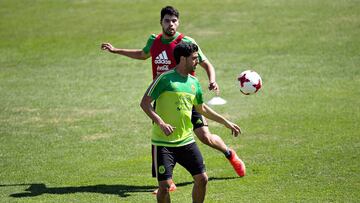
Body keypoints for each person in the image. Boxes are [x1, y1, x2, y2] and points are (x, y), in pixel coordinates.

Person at [101, 6, 246, 193]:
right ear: (161, 22)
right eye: (167, 20)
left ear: (178, 22)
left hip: (188, 98)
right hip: (164, 101)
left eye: (174, 21)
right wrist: (116, 50)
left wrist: (212, 81)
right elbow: (142, 54)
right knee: (167, 136)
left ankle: (230, 154)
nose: (171, 24)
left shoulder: (186, 42)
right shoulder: (155, 41)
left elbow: (205, 63)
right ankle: (168, 182)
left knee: (205, 137)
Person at [140, 42, 241, 203]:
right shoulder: (164, 79)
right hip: (163, 143)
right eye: (194, 58)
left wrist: (225, 122)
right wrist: (160, 123)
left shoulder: (194, 82)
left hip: (186, 141)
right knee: (165, 187)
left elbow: (202, 109)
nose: (196, 61)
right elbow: (144, 103)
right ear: (182, 59)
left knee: (202, 179)